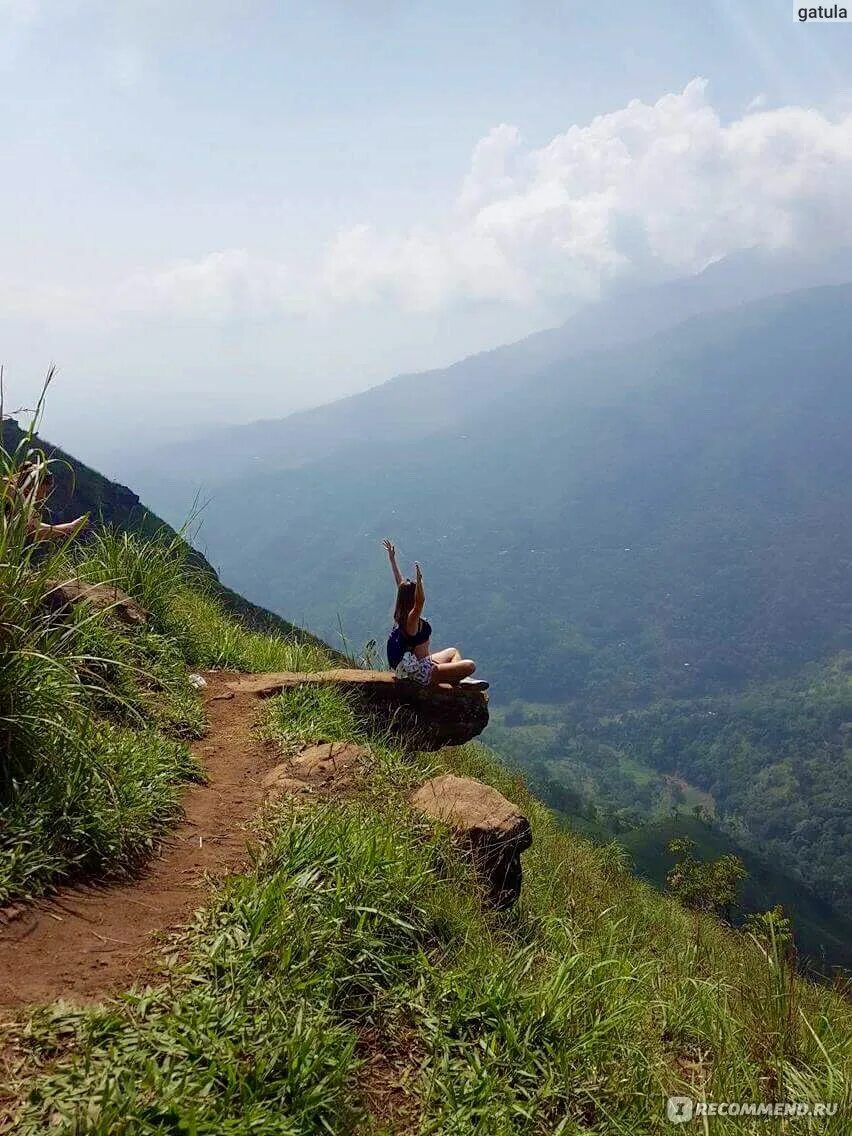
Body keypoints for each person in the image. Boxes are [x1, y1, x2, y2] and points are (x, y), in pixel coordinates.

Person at [382, 538, 487, 689]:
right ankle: (460, 679)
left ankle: (461, 680)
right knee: (470, 665)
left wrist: (392, 560)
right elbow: (420, 603)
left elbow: (401, 587)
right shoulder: (411, 620)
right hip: (423, 673)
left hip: (424, 663)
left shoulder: (403, 615)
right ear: (413, 598)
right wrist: (420, 582)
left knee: (452, 652)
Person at [1, 459, 88, 542]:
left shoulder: (19, 498)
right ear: (32, 486)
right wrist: (71, 526)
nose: (44, 497)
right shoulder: (9, 489)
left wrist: (71, 526)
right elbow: (35, 531)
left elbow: (37, 526)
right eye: (43, 492)